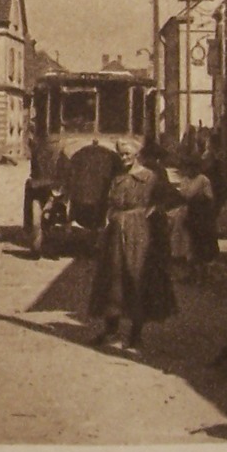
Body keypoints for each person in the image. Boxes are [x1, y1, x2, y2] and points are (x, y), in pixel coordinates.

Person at [86, 140, 179, 352]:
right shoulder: (116, 178)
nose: (123, 157)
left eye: (127, 154)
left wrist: (146, 216)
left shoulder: (150, 177)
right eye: (120, 154)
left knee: (136, 279)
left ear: (136, 154)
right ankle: (111, 332)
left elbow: (170, 200)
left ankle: (136, 336)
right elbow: (107, 203)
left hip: (140, 235)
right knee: (112, 280)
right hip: (115, 234)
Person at [166, 154, 218, 283]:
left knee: (199, 243)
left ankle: (202, 274)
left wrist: (198, 201)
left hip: (200, 215)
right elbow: (183, 195)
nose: (188, 171)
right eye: (186, 168)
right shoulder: (185, 180)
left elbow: (209, 199)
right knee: (188, 243)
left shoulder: (203, 180)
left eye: (191, 168)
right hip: (187, 213)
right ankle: (191, 273)